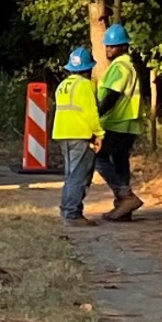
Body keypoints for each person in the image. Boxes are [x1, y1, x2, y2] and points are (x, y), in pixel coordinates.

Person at [95, 23, 147, 221]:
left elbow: (111, 96)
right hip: (128, 123)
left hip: (118, 123)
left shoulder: (120, 67)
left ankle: (126, 197)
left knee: (98, 157)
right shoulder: (129, 65)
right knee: (120, 163)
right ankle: (124, 210)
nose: (109, 50)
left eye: (113, 46)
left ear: (124, 47)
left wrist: (96, 116)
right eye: (107, 46)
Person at [54, 48, 105, 225]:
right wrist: (99, 134)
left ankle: (66, 209)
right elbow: (91, 113)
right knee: (80, 176)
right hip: (80, 135)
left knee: (70, 174)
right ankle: (72, 214)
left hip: (63, 134)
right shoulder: (85, 85)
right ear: (88, 68)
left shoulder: (63, 86)